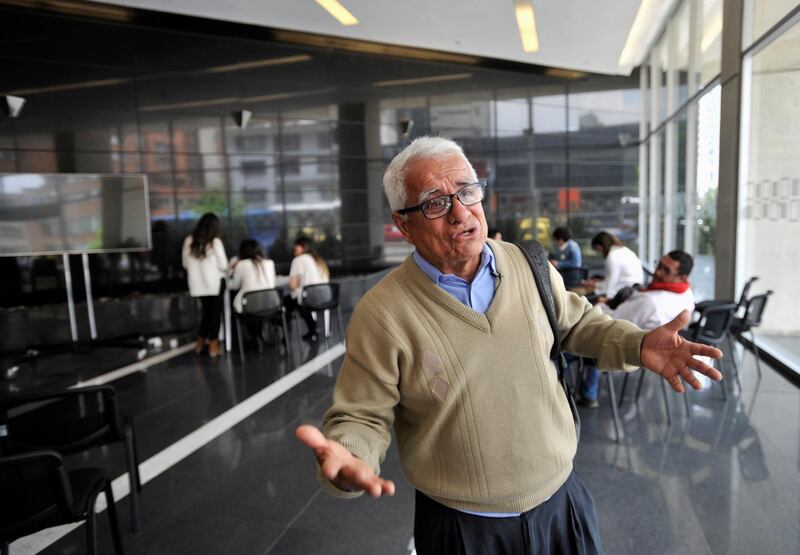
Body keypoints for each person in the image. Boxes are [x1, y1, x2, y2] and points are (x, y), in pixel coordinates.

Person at [295, 137, 722, 554]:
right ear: (404, 223)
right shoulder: (382, 312)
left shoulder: (526, 262)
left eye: (467, 191)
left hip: (561, 500)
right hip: (461, 527)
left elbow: (578, 324)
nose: (461, 213)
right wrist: (351, 458)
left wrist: (638, 343)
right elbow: (362, 416)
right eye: (435, 202)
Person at [578, 250, 697, 407]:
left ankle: (588, 394)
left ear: (682, 277)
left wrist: (600, 303)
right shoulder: (687, 294)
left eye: (666, 270)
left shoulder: (650, 301)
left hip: (625, 347)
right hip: (649, 344)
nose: (658, 272)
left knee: (576, 342)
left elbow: (611, 322)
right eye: (659, 265)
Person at [182, 212, 228, 357]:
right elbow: (224, 265)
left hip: (197, 285)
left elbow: (185, 264)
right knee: (214, 314)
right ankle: (213, 346)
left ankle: (200, 343)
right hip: (215, 283)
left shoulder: (189, 240)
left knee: (207, 313)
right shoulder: (215, 242)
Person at [286, 235, 330, 342]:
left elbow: (292, 285)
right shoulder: (319, 259)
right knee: (298, 302)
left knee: (288, 302)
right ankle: (313, 330)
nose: (294, 248)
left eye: (297, 246)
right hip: (327, 296)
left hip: (310, 298)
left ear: (303, 247)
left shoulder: (298, 259)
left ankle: (287, 337)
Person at [588, 231, 643, 301]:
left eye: (597, 249)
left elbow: (609, 285)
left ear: (600, 246)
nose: (599, 252)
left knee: (588, 299)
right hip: (634, 288)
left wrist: (594, 284)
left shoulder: (612, 257)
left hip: (624, 292)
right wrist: (599, 282)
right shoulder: (623, 250)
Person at [229, 238, 276, 314]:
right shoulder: (270, 263)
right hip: (269, 304)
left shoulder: (241, 264)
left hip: (248, 307)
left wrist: (232, 269)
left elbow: (234, 286)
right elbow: (273, 284)